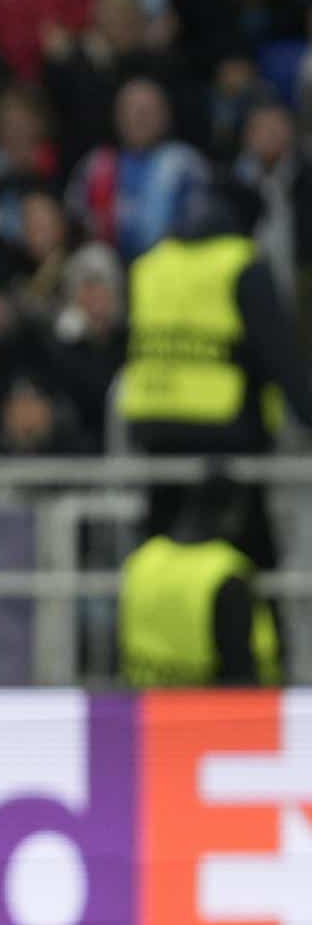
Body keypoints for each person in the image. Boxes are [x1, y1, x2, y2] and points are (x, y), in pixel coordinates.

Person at [119, 178, 312, 567]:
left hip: (155, 434)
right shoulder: (241, 264)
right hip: (225, 438)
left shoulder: (152, 265)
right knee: (243, 567)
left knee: (163, 562)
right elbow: (279, 356)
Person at [119, 475, 281, 686]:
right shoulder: (226, 572)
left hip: (144, 707)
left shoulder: (142, 560)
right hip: (211, 711)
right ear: (233, 513)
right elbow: (239, 669)